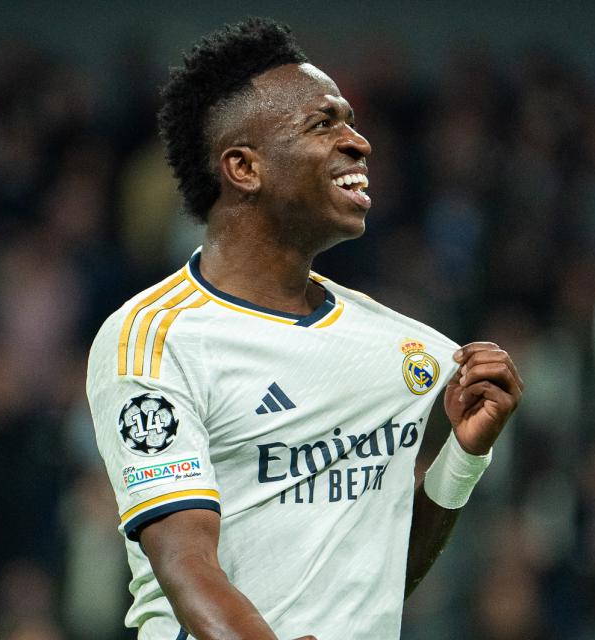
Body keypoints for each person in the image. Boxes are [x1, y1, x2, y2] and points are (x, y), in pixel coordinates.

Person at [86, 18, 523, 640]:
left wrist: (463, 457)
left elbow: (377, 580)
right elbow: (186, 564)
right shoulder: (156, 340)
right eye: (324, 124)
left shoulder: (400, 348)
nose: (359, 142)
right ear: (244, 167)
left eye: (351, 121)